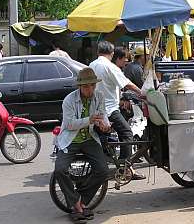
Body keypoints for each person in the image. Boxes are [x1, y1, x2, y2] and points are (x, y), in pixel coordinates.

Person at [54, 67, 110, 223]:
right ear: (79, 86)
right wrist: (90, 120)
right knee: (60, 169)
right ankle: (76, 204)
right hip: (70, 140)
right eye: (86, 86)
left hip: (89, 139)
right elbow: (70, 124)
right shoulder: (69, 100)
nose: (90, 89)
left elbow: (102, 114)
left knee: (103, 170)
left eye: (92, 85)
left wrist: (104, 125)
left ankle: (82, 201)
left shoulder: (99, 96)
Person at [89, 41, 146, 180]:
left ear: (98, 52)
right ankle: (125, 168)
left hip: (95, 108)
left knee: (114, 135)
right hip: (108, 109)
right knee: (127, 133)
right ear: (112, 54)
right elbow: (127, 83)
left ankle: (123, 166)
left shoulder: (92, 65)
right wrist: (142, 93)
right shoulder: (110, 66)